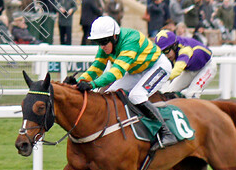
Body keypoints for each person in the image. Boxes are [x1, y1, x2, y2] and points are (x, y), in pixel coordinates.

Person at [75, 16, 177, 149]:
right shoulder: (105, 45)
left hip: (157, 66)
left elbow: (117, 72)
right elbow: (97, 67)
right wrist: (79, 81)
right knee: (108, 93)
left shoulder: (130, 40)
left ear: (114, 37)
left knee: (136, 96)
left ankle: (167, 132)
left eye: (104, 42)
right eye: (98, 42)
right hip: (137, 70)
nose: (102, 46)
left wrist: (92, 85)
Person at [154, 30, 216, 98]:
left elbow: (177, 71)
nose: (166, 55)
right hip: (190, 69)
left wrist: (158, 79)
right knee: (169, 92)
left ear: (174, 45)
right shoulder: (174, 47)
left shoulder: (185, 49)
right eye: (162, 52)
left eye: (166, 51)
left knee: (191, 95)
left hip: (207, 66)